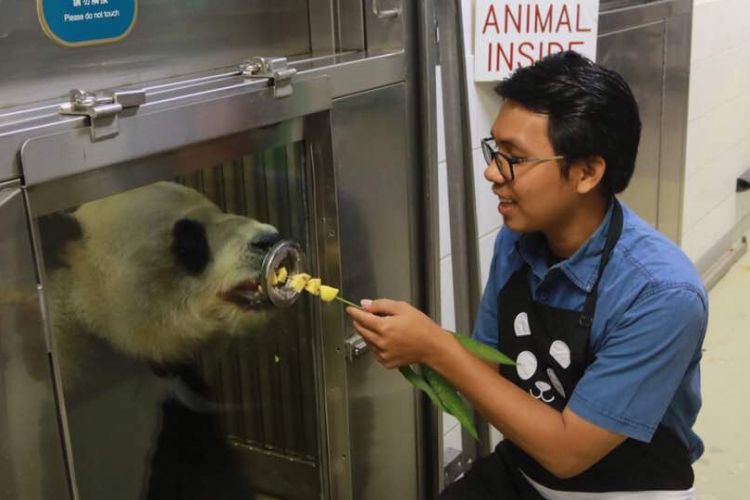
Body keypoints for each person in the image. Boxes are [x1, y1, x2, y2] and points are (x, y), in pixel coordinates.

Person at [345, 51, 707, 499]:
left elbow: (568, 453)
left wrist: (436, 347)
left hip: (626, 488)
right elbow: (487, 362)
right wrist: (414, 346)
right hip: (525, 469)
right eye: (496, 150)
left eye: (514, 158)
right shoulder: (518, 240)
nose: (493, 172)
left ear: (587, 172)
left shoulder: (662, 294)